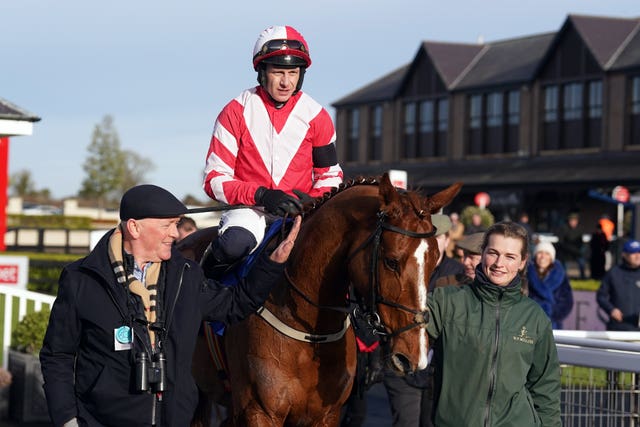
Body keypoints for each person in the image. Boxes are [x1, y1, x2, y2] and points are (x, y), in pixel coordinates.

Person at [39, 184, 302, 427]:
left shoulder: (186, 275)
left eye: (176, 225)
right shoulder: (81, 279)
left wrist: (272, 263)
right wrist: (67, 419)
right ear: (134, 227)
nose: (175, 234)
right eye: (167, 225)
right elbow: (57, 355)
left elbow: (235, 305)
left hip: (175, 419)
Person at [202, 25, 343, 272]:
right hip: (249, 212)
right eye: (278, 72)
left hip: (301, 214)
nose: (286, 82)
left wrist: (311, 202)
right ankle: (202, 291)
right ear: (261, 72)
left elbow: (330, 175)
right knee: (234, 245)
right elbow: (214, 179)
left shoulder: (317, 117)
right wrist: (261, 195)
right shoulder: (235, 112)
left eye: (293, 73)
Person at [427, 221, 561, 426]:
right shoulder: (446, 302)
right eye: (493, 253)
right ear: (483, 253)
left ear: (523, 262)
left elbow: (545, 387)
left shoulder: (535, 317)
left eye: (510, 257)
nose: (499, 263)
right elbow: (404, 327)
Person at [383, 214, 463, 427]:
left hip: (438, 370)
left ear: (447, 240)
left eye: (437, 238)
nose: (431, 244)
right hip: (404, 364)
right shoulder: (406, 267)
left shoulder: (458, 273)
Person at [526, 241, 574, 329]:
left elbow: (567, 301)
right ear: (535, 255)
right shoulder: (526, 273)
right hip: (528, 323)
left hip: (552, 324)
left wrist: (553, 314)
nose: (543, 257)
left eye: (547, 253)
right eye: (540, 252)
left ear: (552, 257)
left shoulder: (560, 275)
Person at [596, 239, 640, 331]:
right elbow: (601, 296)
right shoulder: (613, 273)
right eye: (633, 253)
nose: (638, 256)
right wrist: (611, 310)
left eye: (639, 252)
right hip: (617, 329)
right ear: (624, 255)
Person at [556, 212, 586, 279]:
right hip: (566, 250)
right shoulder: (564, 228)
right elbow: (561, 241)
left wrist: (578, 251)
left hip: (576, 251)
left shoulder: (580, 229)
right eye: (571, 220)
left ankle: (583, 277)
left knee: (582, 262)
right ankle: (564, 278)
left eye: (574, 221)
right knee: (562, 262)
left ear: (577, 221)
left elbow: (581, 242)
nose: (573, 222)